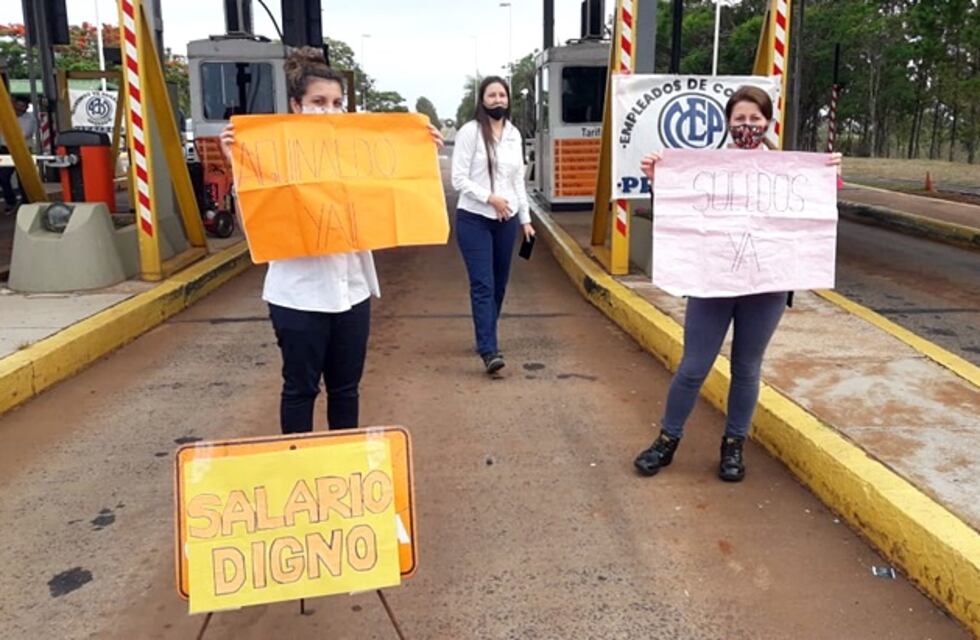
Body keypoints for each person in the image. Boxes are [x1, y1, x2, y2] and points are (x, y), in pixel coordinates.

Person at [219, 47, 443, 434]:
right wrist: (238, 168)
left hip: (352, 292)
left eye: (337, 103)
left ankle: (343, 472)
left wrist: (419, 152)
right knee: (300, 389)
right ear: (296, 106)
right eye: (317, 102)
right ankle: (299, 468)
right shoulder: (275, 159)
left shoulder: (356, 158)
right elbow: (251, 229)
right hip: (298, 296)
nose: (329, 110)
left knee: (346, 390)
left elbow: (398, 194)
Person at [633, 86, 842, 482]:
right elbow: (682, 210)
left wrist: (829, 175)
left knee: (747, 368)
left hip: (766, 286)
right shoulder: (704, 166)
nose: (748, 126)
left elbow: (818, 209)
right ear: (728, 123)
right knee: (694, 367)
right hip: (712, 282)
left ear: (768, 122)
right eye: (740, 119)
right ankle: (666, 439)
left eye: (755, 119)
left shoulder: (790, 169)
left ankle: (733, 446)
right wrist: (657, 178)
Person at [451, 76, 535, 374]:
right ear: (482, 100)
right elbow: (458, 179)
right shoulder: (470, 132)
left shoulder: (514, 134)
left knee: (499, 285)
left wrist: (525, 220)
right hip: (474, 219)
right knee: (483, 285)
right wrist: (490, 198)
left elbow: (517, 181)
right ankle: (489, 349)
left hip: (507, 221)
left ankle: (485, 333)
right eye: (492, 95)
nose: (498, 100)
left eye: (502, 95)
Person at [0, 96, 37, 213]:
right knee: (2, 176)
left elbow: (24, 134)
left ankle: (26, 204)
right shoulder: (4, 116)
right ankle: (11, 201)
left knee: (24, 178)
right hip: (5, 150)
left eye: (24, 106)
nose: (22, 109)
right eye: (20, 106)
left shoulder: (29, 119)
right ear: (14, 104)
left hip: (23, 150)